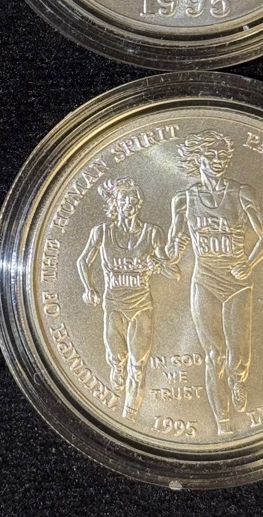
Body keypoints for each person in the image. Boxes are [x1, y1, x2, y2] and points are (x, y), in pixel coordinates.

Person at [167, 131, 263, 435]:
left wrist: (248, 264)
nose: (217, 160)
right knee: (215, 355)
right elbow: (176, 243)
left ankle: (238, 380)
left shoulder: (242, 193)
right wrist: (170, 254)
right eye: (211, 155)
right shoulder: (184, 199)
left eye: (222, 156)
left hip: (237, 283)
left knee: (238, 356)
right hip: (204, 281)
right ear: (198, 158)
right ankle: (223, 423)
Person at [77, 177, 177, 421]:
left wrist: (157, 264)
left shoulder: (152, 233)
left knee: (139, 362)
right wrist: (89, 288)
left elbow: (173, 272)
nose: (129, 204)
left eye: (133, 199)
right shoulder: (102, 232)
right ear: (116, 203)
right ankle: (116, 367)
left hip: (142, 304)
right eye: (124, 199)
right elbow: (83, 261)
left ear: (139, 203)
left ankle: (130, 412)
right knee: (117, 354)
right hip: (114, 303)